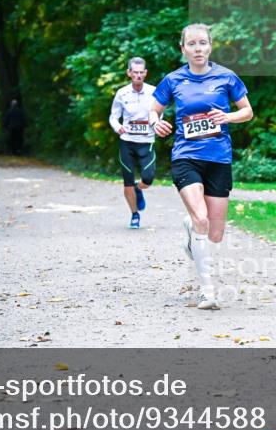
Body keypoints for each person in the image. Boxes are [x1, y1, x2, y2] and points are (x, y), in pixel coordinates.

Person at [149, 24, 253, 310]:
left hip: (219, 158)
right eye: (191, 44)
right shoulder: (173, 80)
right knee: (202, 220)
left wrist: (228, 117)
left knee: (215, 233)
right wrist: (155, 122)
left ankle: (190, 226)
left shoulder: (226, 77)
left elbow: (247, 111)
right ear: (183, 48)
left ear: (210, 47)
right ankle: (208, 292)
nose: (197, 49)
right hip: (186, 156)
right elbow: (154, 109)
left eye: (202, 43)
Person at [108, 57, 157, 229]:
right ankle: (134, 214)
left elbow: (159, 113)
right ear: (129, 73)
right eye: (134, 72)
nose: (138, 75)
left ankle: (139, 187)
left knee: (149, 178)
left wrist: (156, 124)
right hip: (127, 142)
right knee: (127, 180)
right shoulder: (122, 93)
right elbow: (113, 117)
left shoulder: (154, 92)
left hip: (147, 140)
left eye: (141, 72)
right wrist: (118, 127)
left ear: (145, 73)